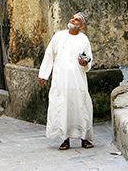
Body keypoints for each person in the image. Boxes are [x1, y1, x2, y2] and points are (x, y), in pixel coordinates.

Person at [39, 12, 93, 150]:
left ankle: (84, 138)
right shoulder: (59, 36)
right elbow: (49, 54)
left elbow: (88, 59)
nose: (73, 20)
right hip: (61, 79)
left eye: (77, 20)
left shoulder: (84, 39)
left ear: (81, 26)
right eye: (73, 18)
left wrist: (84, 63)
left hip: (77, 80)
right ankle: (65, 139)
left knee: (81, 106)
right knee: (62, 107)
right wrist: (44, 74)